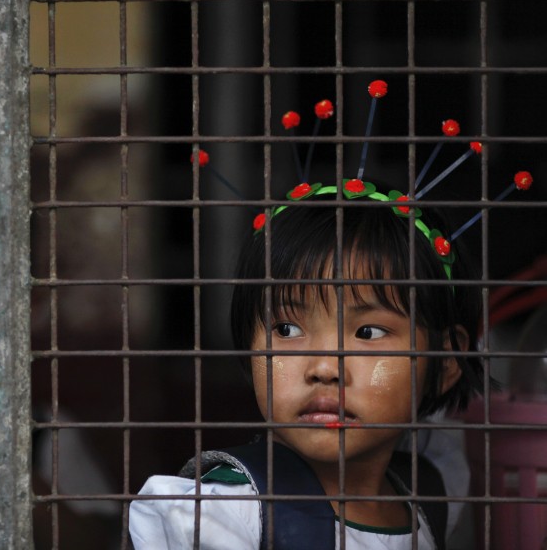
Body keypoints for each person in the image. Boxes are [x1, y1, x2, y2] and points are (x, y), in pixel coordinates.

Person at [129, 181, 486, 549]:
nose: (325, 368)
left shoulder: (432, 495)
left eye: (369, 331)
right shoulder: (222, 515)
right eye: (287, 329)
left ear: (445, 361)